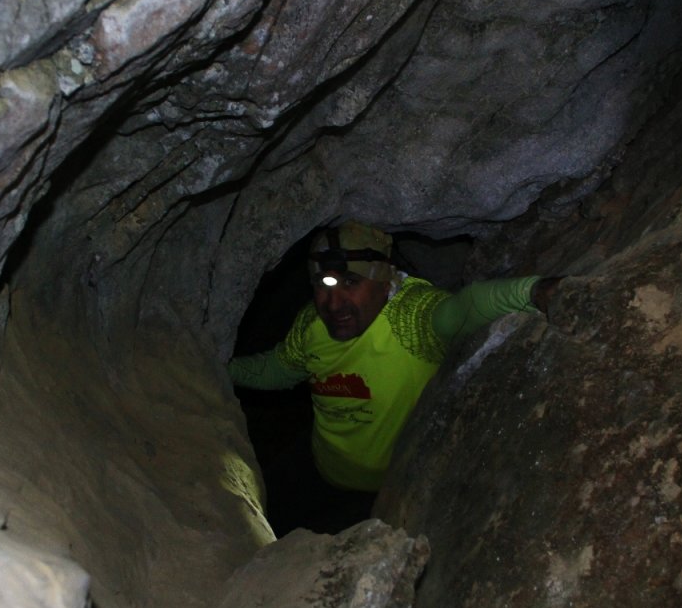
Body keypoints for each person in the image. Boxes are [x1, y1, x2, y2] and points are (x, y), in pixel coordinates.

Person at [229, 220, 560, 531]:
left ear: (385, 281)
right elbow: (276, 370)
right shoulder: (312, 324)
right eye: (324, 284)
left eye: (351, 283)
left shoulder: (411, 320)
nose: (334, 302)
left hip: (382, 493)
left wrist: (533, 292)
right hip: (318, 467)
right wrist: (215, 366)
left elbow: (465, 308)